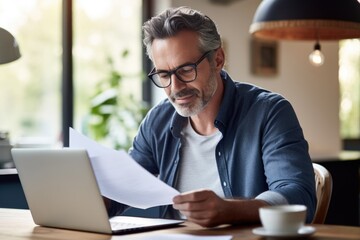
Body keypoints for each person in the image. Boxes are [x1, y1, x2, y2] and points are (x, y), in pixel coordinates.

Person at [106, 6, 316, 228]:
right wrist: (92, 199)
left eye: (186, 69)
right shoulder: (156, 122)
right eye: (164, 75)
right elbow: (123, 188)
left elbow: (298, 197)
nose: (175, 87)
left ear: (218, 59)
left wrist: (230, 210)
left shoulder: (270, 112)